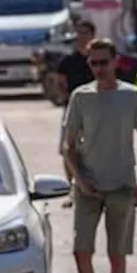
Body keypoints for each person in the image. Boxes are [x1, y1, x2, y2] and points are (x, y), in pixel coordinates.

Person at [61, 38, 137, 273]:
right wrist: (79, 178)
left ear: (116, 62)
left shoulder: (132, 97)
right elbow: (68, 146)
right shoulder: (81, 98)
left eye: (103, 62)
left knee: (117, 256)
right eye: (93, 63)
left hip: (122, 186)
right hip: (88, 187)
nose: (99, 69)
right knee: (81, 252)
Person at [56, 19, 97, 207]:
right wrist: (66, 97)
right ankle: (73, 189)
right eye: (78, 33)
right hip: (73, 108)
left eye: (84, 33)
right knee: (68, 148)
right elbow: (59, 81)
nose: (81, 37)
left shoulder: (98, 60)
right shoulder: (68, 60)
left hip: (96, 108)